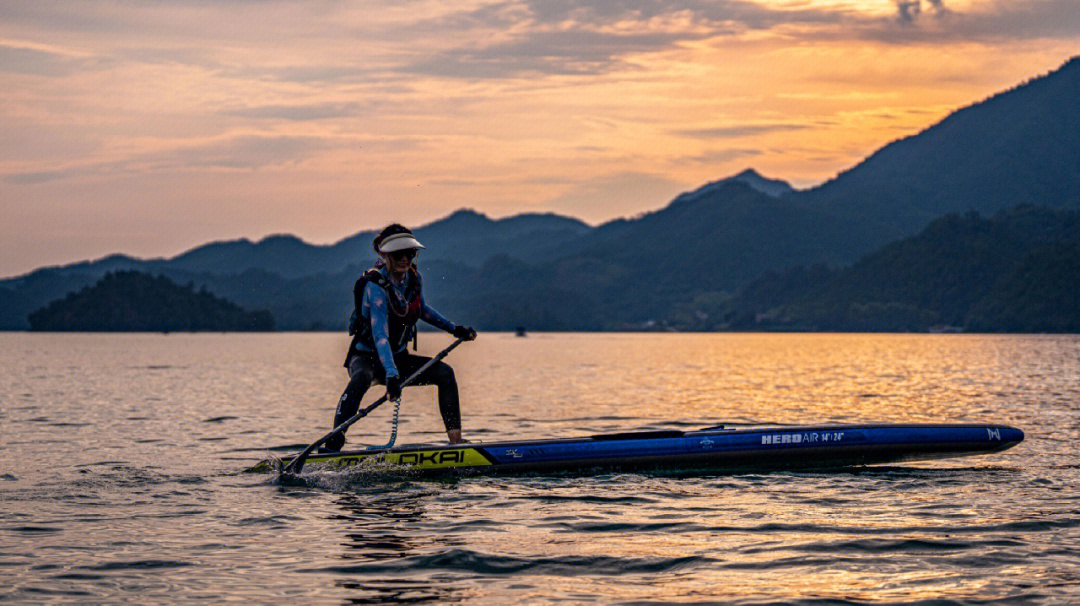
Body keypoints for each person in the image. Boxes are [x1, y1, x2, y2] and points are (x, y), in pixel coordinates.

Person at [323, 224, 477, 452]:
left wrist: (455, 329)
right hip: (366, 358)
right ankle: (333, 446)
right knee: (361, 380)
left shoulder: (414, 279)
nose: (405, 259)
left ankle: (456, 443)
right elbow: (380, 335)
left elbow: (422, 310)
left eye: (410, 253)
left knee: (445, 373)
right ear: (384, 255)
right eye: (398, 254)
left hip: (397, 357)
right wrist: (392, 375)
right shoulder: (374, 287)